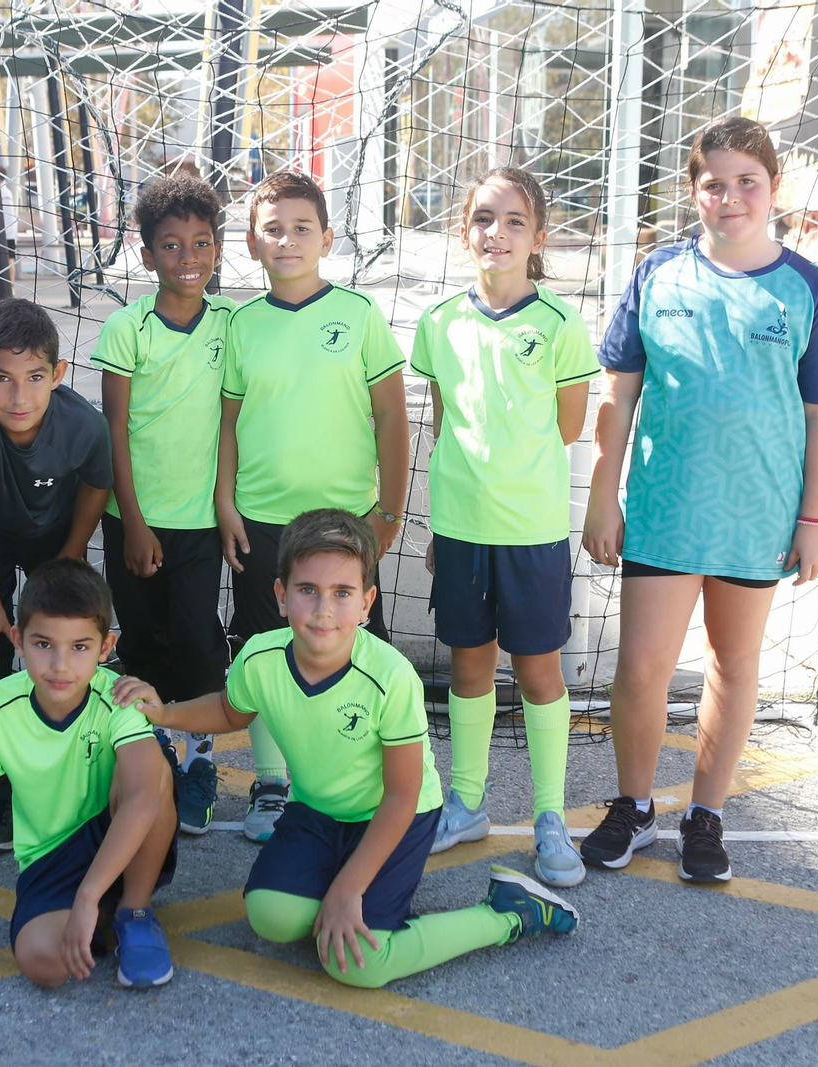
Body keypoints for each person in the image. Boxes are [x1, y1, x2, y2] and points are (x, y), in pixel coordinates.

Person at [113, 509, 578, 989]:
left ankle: (507, 913)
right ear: (281, 595)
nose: (323, 609)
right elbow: (231, 712)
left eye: (342, 593)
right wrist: (164, 713)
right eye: (307, 590)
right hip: (318, 811)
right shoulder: (260, 657)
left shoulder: (391, 676)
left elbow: (402, 795)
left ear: (366, 603)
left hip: (396, 816)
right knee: (271, 915)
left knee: (358, 965)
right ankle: (348, 887)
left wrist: (350, 889)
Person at [581, 115, 818, 883]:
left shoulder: (806, 288)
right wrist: (602, 496)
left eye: (747, 182)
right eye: (714, 183)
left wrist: (815, 519)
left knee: (733, 665)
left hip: (757, 514)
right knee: (641, 668)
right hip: (665, 510)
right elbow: (618, 397)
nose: (730, 197)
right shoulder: (658, 274)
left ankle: (707, 815)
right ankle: (635, 805)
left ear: (773, 189)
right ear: (692, 190)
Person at [410, 167, 600, 882]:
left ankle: (550, 816)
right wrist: (443, 522)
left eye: (515, 220)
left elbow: (568, 425)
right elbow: (443, 424)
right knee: (468, 666)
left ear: (539, 237)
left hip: (532, 531)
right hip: (462, 528)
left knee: (539, 671)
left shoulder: (558, 324)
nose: (498, 232)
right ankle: (467, 802)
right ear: (465, 232)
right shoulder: (439, 323)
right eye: (484, 218)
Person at [218, 171, 410, 843]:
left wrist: (389, 512)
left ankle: (362, 781)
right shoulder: (242, 324)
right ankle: (272, 782)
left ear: (327, 239)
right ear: (252, 243)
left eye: (302, 228)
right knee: (265, 649)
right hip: (262, 518)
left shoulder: (357, 314)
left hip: (344, 524)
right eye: (273, 229)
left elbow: (392, 415)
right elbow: (228, 421)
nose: (288, 240)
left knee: (354, 651)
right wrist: (225, 501)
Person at [0, 559, 178, 989]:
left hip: (118, 833)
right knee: (43, 965)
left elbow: (146, 796)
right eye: (43, 644)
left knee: (153, 771)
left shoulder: (118, 697)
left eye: (79, 647)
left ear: (106, 647)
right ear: (18, 640)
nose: (60, 665)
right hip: (50, 857)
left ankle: (134, 909)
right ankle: (98, 910)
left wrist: (86, 896)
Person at [0, 298, 113, 853]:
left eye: (35, 377)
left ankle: (63, 760)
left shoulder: (84, 424)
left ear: (58, 374)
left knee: (58, 639)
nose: (18, 397)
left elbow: (96, 488)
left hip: (53, 538)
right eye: (2, 378)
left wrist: (70, 557)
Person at [90, 173, 233, 837]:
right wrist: (134, 523)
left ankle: (200, 758)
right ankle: (150, 754)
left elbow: (232, 419)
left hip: (201, 521)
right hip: (136, 521)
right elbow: (114, 429)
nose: (188, 257)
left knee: (200, 639)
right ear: (147, 256)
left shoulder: (231, 324)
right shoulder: (128, 327)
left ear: (216, 250)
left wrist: (226, 504)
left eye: (201, 242)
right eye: (171, 245)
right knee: (143, 640)